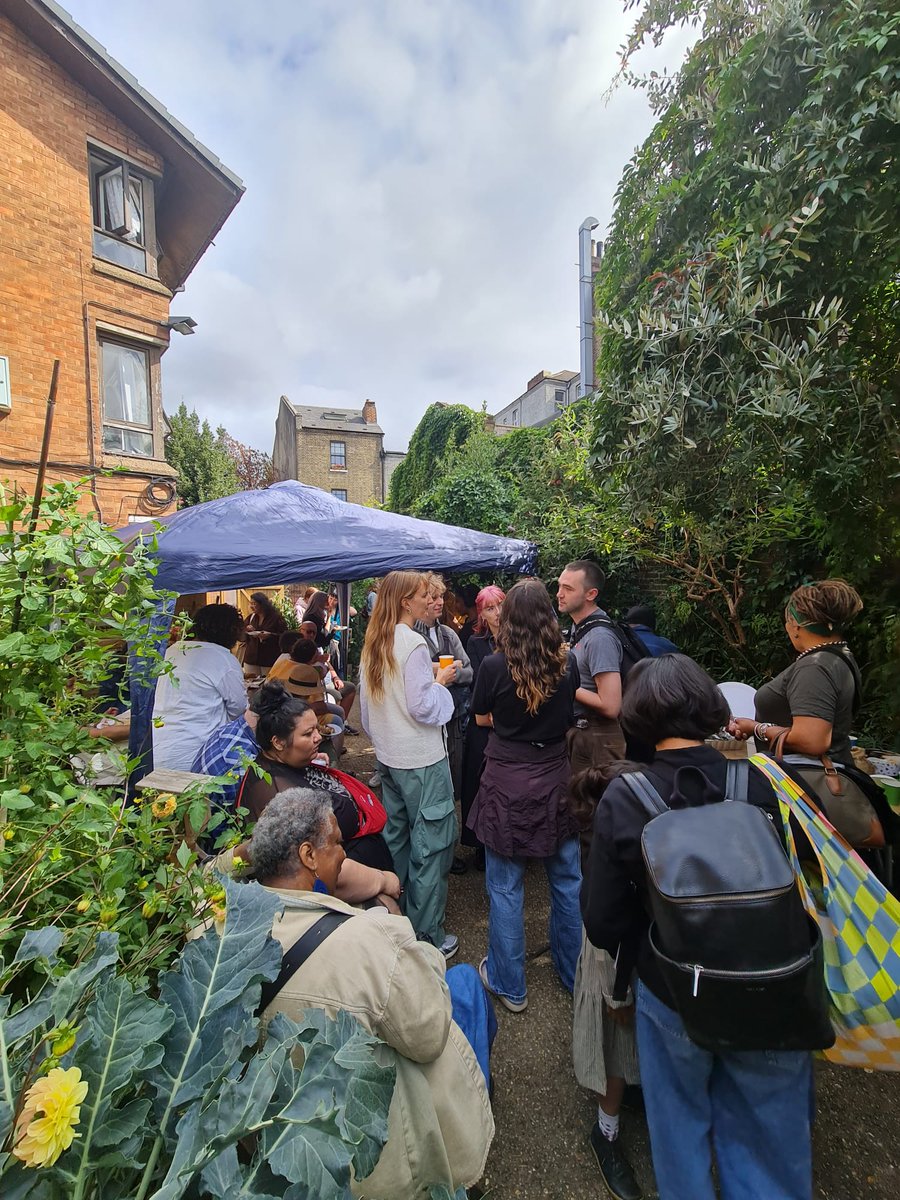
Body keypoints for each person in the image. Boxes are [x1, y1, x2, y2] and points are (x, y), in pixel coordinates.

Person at [581, 654, 813, 1200]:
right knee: (770, 1149)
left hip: (675, 987)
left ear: (637, 715)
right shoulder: (759, 781)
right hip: (773, 986)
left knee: (680, 1135)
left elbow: (601, 920)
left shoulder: (627, 796)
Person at [242, 790, 494, 1198]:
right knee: (465, 984)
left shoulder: (220, 924)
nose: (344, 854)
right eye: (337, 842)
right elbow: (428, 1034)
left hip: (287, 1135)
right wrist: (399, 930)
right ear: (308, 855)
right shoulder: (364, 942)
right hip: (373, 1144)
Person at [468, 579, 582, 1012]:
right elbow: (569, 717)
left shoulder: (494, 667)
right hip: (555, 776)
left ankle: (509, 984)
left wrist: (510, 723)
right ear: (547, 619)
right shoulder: (567, 665)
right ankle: (574, 975)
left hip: (507, 781)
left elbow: (481, 718)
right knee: (568, 881)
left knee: (505, 887)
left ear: (510, 619)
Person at [359, 570, 460, 958]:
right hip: (421, 759)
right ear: (406, 602)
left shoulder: (376, 639)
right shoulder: (414, 642)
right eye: (422, 595)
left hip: (389, 757)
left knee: (397, 839)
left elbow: (367, 711)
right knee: (432, 845)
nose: (428, 601)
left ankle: (393, 920)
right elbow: (422, 706)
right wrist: (441, 683)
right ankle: (426, 939)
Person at [238, 686, 391, 873]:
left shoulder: (284, 761)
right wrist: (379, 882)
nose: (318, 737)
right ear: (278, 742)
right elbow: (304, 867)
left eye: (317, 729)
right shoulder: (280, 795)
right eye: (308, 734)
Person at [152, 603, 246, 772]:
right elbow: (239, 708)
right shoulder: (224, 659)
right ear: (231, 631)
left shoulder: (171, 651)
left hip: (155, 749)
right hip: (197, 755)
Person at [557, 560, 626, 781]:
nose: (559, 594)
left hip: (598, 738)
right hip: (582, 733)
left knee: (595, 801)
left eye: (568, 589)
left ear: (591, 594)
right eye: (559, 586)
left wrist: (561, 680)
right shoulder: (579, 628)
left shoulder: (599, 638)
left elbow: (611, 705)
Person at [413, 572, 473, 805]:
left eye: (441, 597)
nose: (440, 602)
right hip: (424, 718)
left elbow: (469, 672)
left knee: (452, 771)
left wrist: (452, 674)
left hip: (452, 716)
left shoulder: (448, 634)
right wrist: (441, 671)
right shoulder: (410, 636)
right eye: (433, 597)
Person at [460, 586, 506, 868]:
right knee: (478, 782)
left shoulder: (520, 638)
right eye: (490, 608)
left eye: (500, 605)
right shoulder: (476, 642)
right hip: (483, 720)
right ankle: (479, 844)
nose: (497, 613)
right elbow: (478, 684)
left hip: (510, 721)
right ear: (481, 613)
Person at [242, 591, 287, 677]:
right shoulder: (251, 617)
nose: (251, 606)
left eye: (254, 604)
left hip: (269, 659)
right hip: (251, 658)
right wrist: (246, 630)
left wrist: (270, 636)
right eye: (250, 603)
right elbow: (242, 636)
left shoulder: (276, 618)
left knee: (268, 682)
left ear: (262, 604)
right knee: (251, 682)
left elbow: (284, 636)